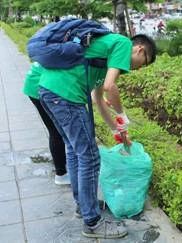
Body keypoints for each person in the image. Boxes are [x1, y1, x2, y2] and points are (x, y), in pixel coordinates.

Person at [37, 33, 156, 239]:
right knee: (90, 157)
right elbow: (110, 87)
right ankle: (92, 221)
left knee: (75, 151)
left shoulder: (106, 57)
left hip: (51, 91)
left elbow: (98, 98)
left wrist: (117, 131)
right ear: (139, 50)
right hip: (65, 95)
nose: (138, 69)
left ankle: (83, 206)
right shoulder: (122, 44)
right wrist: (122, 116)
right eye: (142, 63)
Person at [23, 62, 70, 185]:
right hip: (40, 87)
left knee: (59, 130)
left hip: (36, 82)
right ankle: (61, 174)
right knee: (56, 131)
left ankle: (65, 166)